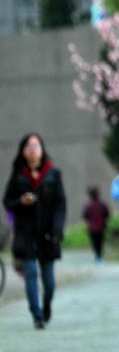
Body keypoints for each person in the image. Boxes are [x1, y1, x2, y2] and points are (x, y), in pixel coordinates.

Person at [3, 134, 66, 329]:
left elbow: (60, 205)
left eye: (36, 145)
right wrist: (20, 202)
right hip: (25, 233)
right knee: (30, 274)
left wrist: (57, 229)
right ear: (23, 151)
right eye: (28, 146)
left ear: (42, 149)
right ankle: (37, 315)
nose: (32, 149)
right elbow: (7, 202)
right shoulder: (18, 175)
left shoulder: (53, 173)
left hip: (48, 234)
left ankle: (46, 305)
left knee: (49, 283)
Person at [82, 187, 110, 264]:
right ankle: (99, 256)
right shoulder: (103, 204)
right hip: (101, 227)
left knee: (95, 243)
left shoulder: (88, 206)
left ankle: (98, 256)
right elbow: (107, 215)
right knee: (100, 243)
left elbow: (85, 217)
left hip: (92, 228)